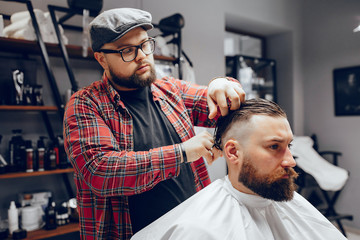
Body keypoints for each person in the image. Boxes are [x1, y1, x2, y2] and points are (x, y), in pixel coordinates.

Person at [62, 7, 245, 240]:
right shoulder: (86, 104)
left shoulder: (170, 90)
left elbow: (220, 103)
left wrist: (221, 83)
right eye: (127, 50)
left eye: (145, 44)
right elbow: (100, 170)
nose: (141, 56)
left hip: (192, 229)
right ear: (101, 59)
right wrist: (181, 153)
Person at [131, 98, 347, 240]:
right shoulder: (200, 230)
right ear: (233, 152)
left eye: (288, 146)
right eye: (274, 146)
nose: (291, 161)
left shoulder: (294, 206)